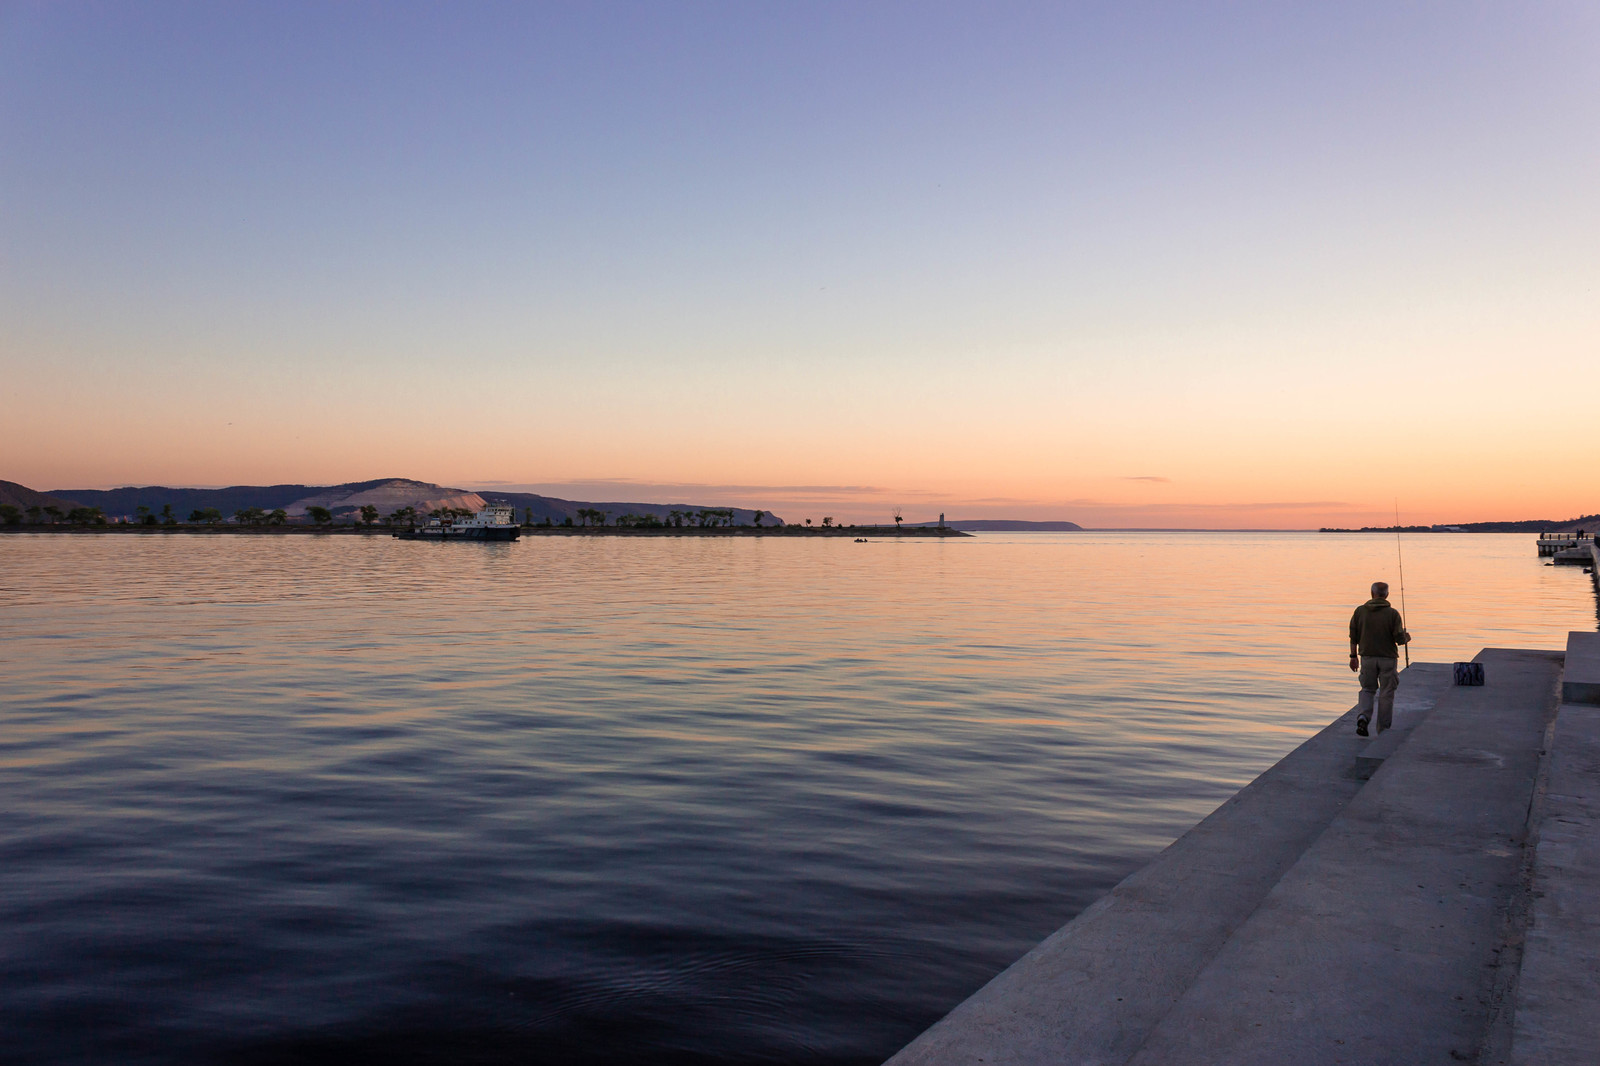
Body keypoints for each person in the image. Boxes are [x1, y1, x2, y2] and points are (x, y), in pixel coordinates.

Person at [1348, 581, 1410, 736]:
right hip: (1387, 659)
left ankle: (1363, 716)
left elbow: (1353, 637)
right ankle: (1382, 729)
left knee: (1367, 689)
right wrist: (1406, 637)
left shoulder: (1360, 612)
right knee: (1386, 692)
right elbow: (1399, 639)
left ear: (1371, 593)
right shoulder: (1393, 614)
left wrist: (1353, 656)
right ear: (1387, 595)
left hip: (1367, 658)